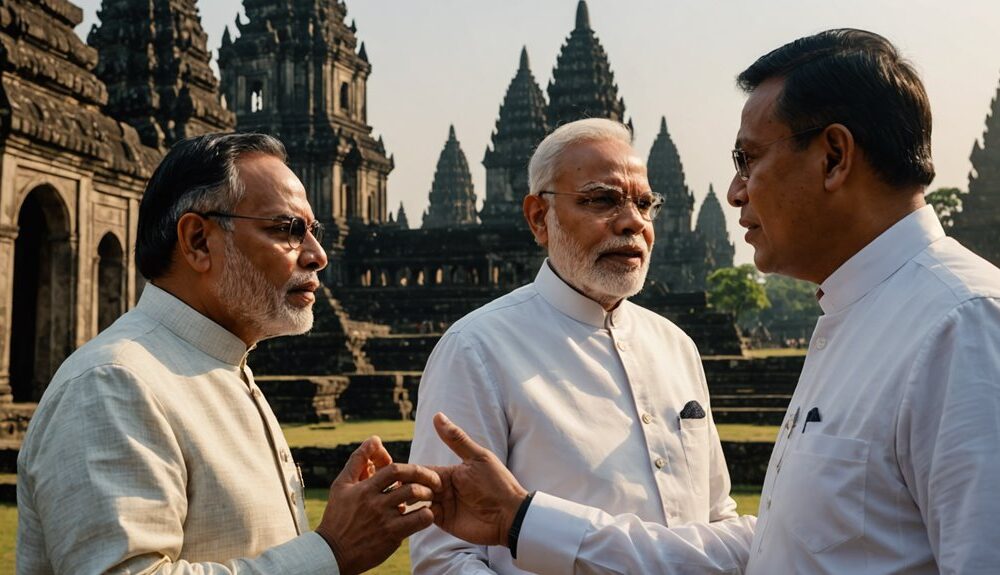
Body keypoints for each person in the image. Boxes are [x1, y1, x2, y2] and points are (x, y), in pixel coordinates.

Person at [427, 29, 1000, 574]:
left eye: (748, 159)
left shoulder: (963, 324)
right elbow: (766, 546)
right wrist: (528, 523)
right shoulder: (855, 317)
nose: (733, 191)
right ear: (539, 218)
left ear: (833, 157)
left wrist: (526, 521)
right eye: (602, 200)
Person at [16, 133, 440, 574]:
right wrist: (331, 550)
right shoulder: (112, 384)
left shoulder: (223, 368)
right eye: (287, 229)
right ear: (199, 240)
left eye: (313, 232)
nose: (317, 256)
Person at [409, 118, 739, 574]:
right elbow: (445, 558)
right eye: (601, 200)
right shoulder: (477, 349)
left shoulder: (676, 346)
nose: (632, 222)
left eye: (645, 204)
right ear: (539, 218)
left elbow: (717, 515)